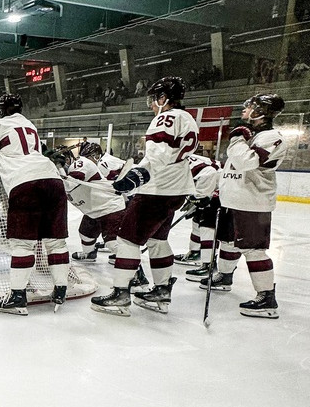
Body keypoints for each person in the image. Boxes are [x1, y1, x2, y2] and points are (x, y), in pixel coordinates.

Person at [91, 76, 199, 316]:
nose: (151, 104)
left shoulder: (165, 117)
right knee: (158, 241)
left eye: (153, 99)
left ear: (164, 99)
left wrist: (137, 176)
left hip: (157, 191)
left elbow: (158, 157)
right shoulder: (188, 118)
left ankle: (120, 294)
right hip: (177, 189)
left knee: (127, 240)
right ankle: (161, 290)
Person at [0, 93, 71, 314]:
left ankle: (17, 296)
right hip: (52, 179)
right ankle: (60, 289)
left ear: (1, 109)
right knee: (56, 242)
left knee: (23, 244)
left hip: (25, 182)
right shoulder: (30, 125)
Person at [199, 94, 286, 319]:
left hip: (253, 203)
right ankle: (225, 276)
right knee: (228, 242)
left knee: (254, 250)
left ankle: (267, 297)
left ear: (262, 111)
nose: (245, 110)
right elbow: (232, 168)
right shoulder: (252, 135)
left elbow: (245, 162)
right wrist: (220, 188)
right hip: (233, 199)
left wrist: (237, 137)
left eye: (250, 107)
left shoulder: (272, 137)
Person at [64, 143, 127, 266]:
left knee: (112, 242)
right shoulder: (76, 167)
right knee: (85, 234)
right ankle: (90, 254)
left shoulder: (83, 163)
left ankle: (135, 268)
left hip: (109, 208)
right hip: (93, 210)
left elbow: (72, 182)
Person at [174, 152, 222, 280]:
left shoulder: (176, 161)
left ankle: (209, 264)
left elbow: (209, 172)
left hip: (220, 190)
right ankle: (195, 253)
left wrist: (198, 198)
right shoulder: (178, 156)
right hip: (209, 186)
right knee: (197, 222)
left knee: (207, 227)